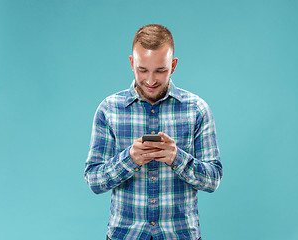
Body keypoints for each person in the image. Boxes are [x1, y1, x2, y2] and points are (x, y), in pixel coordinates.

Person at [84, 24, 223, 240]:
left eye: (160, 70)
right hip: (125, 235)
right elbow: (94, 180)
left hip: (180, 235)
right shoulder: (108, 109)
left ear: (173, 65)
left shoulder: (197, 109)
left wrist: (177, 158)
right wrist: (129, 159)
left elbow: (213, 180)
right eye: (142, 70)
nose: (150, 81)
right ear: (132, 63)